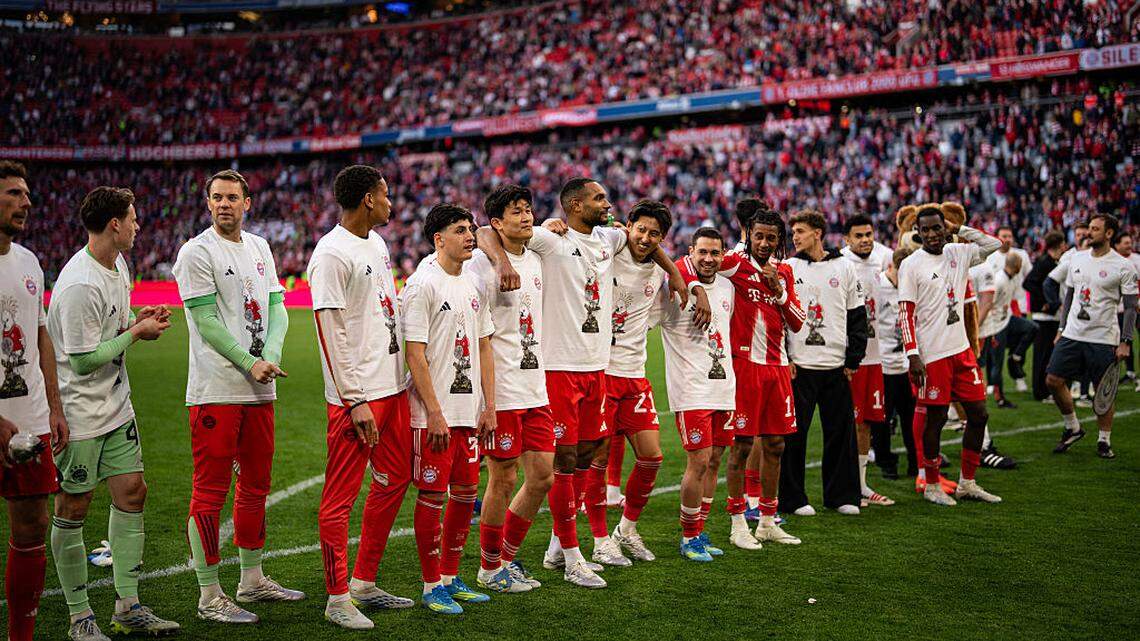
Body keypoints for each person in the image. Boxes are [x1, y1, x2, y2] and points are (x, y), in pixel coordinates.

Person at [475, 178, 688, 587]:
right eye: (599, 198)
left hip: (597, 367)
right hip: (558, 368)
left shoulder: (609, 237)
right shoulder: (550, 240)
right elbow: (488, 230)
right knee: (563, 462)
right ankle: (572, 556)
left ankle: (555, 545)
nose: (607, 204)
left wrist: (677, 276)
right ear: (575, 205)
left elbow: (647, 239)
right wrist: (501, 262)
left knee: (590, 454)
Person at [47, 187, 180, 640]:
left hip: (117, 406)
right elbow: (82, 360)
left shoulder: (118, 265)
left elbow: (111, 329)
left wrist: (134, 322)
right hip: (80, 411)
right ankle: (79, 616)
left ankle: (127, 606)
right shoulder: (80, 283)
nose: (139, 225)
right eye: (133, 218)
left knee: (133, 492)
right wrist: (138, 334)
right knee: (74, 505)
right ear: (114, 226)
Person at [172, 170, 303, 626]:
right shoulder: (196, 252)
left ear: (248, 202)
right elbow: (207, 323)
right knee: (210, 491)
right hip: (216, 389)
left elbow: (277, 309)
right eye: (216, 198)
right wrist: (250, 362)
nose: (223, 204)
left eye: (232, 197)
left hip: (259, 387)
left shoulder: (260, 247)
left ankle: (252, 579)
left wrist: (268, 355)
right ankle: (209, 595)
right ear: (208, 204)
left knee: (255, 485)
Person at [309, 166, 415, 629]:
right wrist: (354, 399)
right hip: (359, 399)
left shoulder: (375, 243)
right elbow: (330, 333)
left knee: (396, 481)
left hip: (392, 388)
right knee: (339, 498)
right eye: (386, 195)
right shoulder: (330, 254)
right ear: (369, 199)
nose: (392, 203)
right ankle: (336, 599)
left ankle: (364, 581)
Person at [682, 199, 804, 548]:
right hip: (744, 367)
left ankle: (767, 520)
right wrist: (697, 290)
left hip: (778, 366)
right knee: (741, 446)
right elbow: (687, 264)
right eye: (759, 236)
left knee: (777, 445)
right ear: (748, 235)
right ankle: (738, 523)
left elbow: (797, 322)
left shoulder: (785, 272)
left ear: (780, 240)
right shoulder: (734, 264)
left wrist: (778, 291)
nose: (765, 243)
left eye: (771, 238)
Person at [401, 203, 497, 614]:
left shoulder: (473, 286)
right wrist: (434, 412)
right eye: (460, 230)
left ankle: (450, 576)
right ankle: (429, 585)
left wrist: (489, 405)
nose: (470, 235)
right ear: (439, 239)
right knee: (433, 496)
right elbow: (415, 355)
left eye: (471, 228)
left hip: (469, 412)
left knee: (465, 493)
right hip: (433, 414)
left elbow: (484, 345)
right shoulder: (423, 284)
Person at [465, 185, 552, 593]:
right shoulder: (479, 266)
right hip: (502, 390)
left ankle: (506, 559)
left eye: (528, 209)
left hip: (537, 387)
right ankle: (489, 568)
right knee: (502, 478)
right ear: (497, 223)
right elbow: (475, 334)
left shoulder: (537, 258)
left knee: (542, 477)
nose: (526, 216)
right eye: (515, 212)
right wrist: (487, 400)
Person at [0, 160, 69, 641]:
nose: (26, 202)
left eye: (26, 194)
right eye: (13, 194)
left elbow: (41, 336)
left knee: (32, 527)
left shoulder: (28, 262)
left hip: (29, 421)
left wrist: (55, 407)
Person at [898, 205, 1003, 506]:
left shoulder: (959, 253)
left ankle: (967, 483)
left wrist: (959, 229)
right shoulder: (912, 264)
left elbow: (993, 244)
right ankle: (931, 484)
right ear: (917, 231)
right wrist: (913, 355)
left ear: (945, 228)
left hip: (961, 351)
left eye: (937, 228)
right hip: (932, 356)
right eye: (926, 229)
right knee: (937, 418)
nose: (932, 234)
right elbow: (906, 313)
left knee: (979, 414)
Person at [595, 201, 677, 564]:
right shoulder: (606, 253)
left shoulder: (658, 273)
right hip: (600, 373)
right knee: (592, 463)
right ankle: (597, 540)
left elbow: (655, 315)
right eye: (640, 229)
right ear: (627, 225)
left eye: (654, 233)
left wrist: (676, 274)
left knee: (651, 457)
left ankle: (625, 530)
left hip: (635, 375)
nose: (645, 238)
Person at [782, 210, 866, 516]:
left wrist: (853, 359)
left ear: (818, 233)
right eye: (793, 233)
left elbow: (857, 315)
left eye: (800, 232)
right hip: (800, 366)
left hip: (835, 365)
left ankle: (842, 496)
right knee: (793, 436)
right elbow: (779, 316)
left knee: (840, 434)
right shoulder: (788, 267)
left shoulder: (844, 266)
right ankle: (792, 499)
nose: (795, 238)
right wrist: (786, 357)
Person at [664, 228, 735, 561]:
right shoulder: (674, 286)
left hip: (724, 388)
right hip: (691, 390)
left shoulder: (727, 288)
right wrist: (692, 284)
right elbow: (672, 265)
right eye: (702, 252)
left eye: (715, 253)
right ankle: (688, 536)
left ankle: (700, 531)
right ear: (691, 252)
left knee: (715, 462)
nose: (709, 259)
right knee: (699, 461)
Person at [1045, 214, 1137, 459]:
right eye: (1089, 229)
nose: (1089, 233)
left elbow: (1130, 307)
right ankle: (1073, 427)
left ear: (1109, 234)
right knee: (1053, 380)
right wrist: (1061, 329)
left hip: (1103, 337)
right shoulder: (1077, 258)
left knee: (1102, 391)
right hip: (1073, 334)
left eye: (1095, 229)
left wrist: (1126, 341)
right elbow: (1069, 296)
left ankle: (1104, 440)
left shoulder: (1122, 265)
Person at [840, 214, 897, 495]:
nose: (865, 240)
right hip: (849, 359)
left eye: (868, 234)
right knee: (848, 423)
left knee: (867, 424)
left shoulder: (883, 259)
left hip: (876, 356)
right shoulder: (839, 263)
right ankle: (846, 483)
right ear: (847, 239)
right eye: (858, 236)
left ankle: (861, 485)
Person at [877, 248, 918, 477]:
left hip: (907, 362)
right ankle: (886, 463)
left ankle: (915, 461)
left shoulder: (912, 285)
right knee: (882, 419)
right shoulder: (878, 285)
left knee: (911, 417)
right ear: (892, 266)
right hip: (883, 363)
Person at [985, 226, 1034, 392]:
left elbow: (1031, 277)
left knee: (1018, 342)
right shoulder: (990, 257)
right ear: (997, 237)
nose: (1007, 239)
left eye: (1009, 236)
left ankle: (1018, 375)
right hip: (997, 311)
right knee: (996, 347)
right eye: (1003, 236)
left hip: (1017, 306)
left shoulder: (1022, 255)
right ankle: (993, 383)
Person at [978, 253, 1026, 408]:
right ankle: (999, 398)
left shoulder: (1011, 279)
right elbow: (988, 305)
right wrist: (990, 331)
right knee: (994, 363)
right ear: (1017, 266)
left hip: (1005, 321)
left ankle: (1016, 356)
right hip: (995, 326)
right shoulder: (998, 280)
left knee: (1031, 328)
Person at [1024, 231, 1067, 401]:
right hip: (1043, 317)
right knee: (1042, 356)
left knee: (1048, 355)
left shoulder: (1053, 262)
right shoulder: (1044, 263)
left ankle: (1045, 390)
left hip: (1051, 316)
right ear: (1059, 244)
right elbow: (1028, 283)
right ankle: (1039, 391)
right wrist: (1046, 301)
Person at [1111, 231, 1139, 386]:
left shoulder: (1137, 260)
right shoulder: (1113, 262)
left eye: (1130, 243)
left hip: (1136, 307)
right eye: (1126, 243)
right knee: (1124, 341)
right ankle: (1129, 372)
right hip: (1119, 309)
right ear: (1117, 245)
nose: (1130, 246)